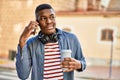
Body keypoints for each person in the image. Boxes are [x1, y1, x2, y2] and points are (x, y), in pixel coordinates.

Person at [16, 4, 86, 80]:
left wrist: (79, 65)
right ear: (37, 23)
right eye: (43, 18)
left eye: (52, 17)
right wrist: (22, 40)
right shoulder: (31, 43)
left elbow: (83, 62)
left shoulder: (71, 38)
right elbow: (23, 75)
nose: (49, 21)